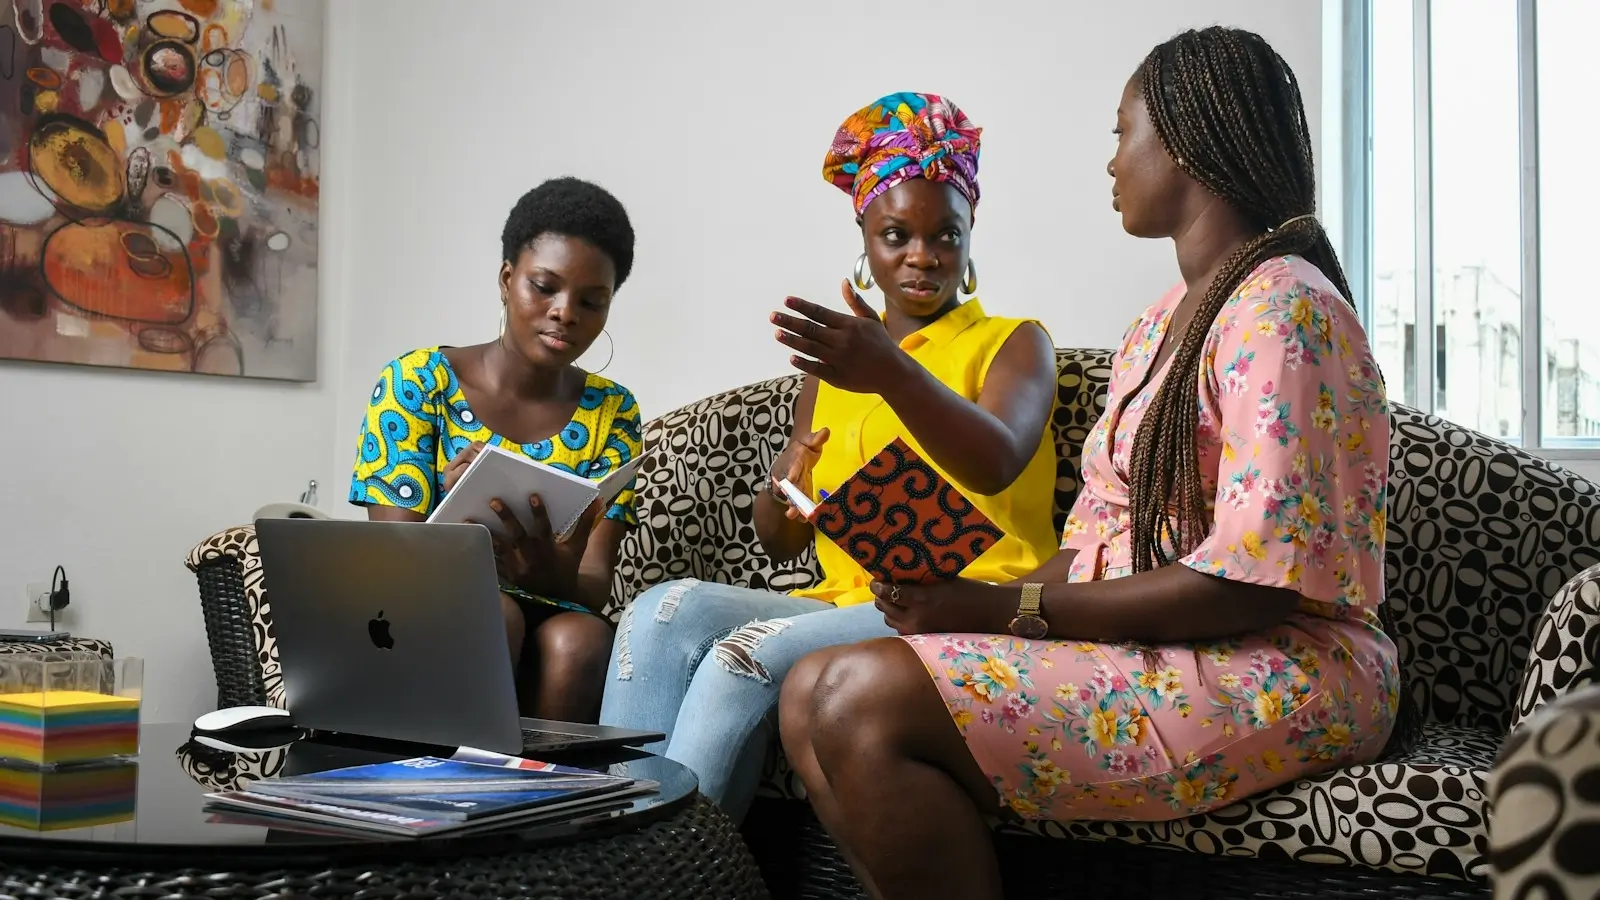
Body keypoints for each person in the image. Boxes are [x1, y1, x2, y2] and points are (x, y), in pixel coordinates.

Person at [779, 27, 1400, 900]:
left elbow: (1250, 585)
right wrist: (955, 607)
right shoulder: (1159, 324)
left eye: (1121, 133)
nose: (1111, 162)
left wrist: (1007, 607)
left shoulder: (1285, 311)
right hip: (1156, 640)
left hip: (1280, 660)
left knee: (853, 696)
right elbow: (1096, 541)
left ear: (1183, 141)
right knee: (808, 692)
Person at [599, 92, 1061, 822]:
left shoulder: (1014, 342)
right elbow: (783, 538)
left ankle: (663, 870)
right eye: (896, 234)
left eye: (947, 234)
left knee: (740, 656)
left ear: (972, 236)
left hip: (966, 598)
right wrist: (784, 487)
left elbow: (997, 461)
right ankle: (613, 848)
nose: (922, 255)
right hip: (847, 602)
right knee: (661, 612)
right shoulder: (834, 369)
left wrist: (889, 369)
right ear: (864, 238)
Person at [349, 177, 641, 725]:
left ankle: (545, 806)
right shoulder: (416, 382)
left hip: (548, 605)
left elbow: (593, 588)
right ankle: (455, 794)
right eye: (544, 286)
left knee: (579, 638)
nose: (564, 312)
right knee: (495, 612)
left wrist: (546, 568)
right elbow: (389, 563)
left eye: (591, 301)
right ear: (507, 279)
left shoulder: (614, 412)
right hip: (424, 602)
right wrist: (454, 526)